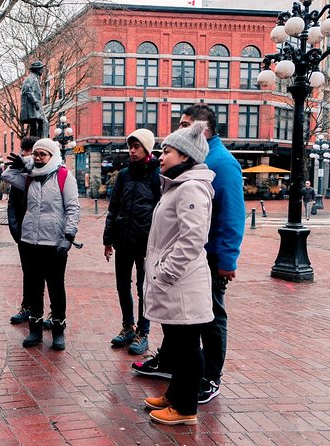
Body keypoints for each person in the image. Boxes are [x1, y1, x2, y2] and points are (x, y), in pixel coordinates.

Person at [133, 105, 245, 406]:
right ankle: (176, 381)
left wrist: (227, 259)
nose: (179, 130)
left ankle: (207, 379)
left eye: (185, 126)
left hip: (201, 261)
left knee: (205, 323)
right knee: (182, 329)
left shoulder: (220, 164)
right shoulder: (181, 175)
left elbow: (232, 215)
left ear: (202, 130)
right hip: (182, 263)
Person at [142, 120, 215, 426]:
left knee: (186, 347)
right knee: (177, 343)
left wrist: (165, 274)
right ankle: (175, 394)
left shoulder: (191, 189)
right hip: (175, 283)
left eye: (167, 151)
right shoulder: (179, 185)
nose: (160, 156)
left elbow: (192, 239)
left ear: (185, 156)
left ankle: (185, 408)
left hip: (182, 284)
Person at [2, 138, 80, 351]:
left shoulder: (64, 176)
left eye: (42, 155)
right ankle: (34, 330)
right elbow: (7, 175)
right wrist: (24, 163)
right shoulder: (29, 178)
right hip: (29, 241)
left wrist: (69, 236)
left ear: (52, 156)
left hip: (54, 243)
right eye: (35, 154)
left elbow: (73, 208)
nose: (37, 158)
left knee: (56, 288)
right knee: (34, 287)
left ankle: (58, 330)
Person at [103, 128, 160, 355]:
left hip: (146, 243)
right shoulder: (124, 174)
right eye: (130, 147)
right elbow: (113, 207)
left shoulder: (157, 174)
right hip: (123, 241)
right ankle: (128, 326)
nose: (132, 151)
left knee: (143, 288)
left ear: (147, 148)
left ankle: (143, 332)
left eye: (136, 147)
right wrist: (108, 239)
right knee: (122, 285)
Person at [8, 135, 39, 325]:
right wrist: (15, 230)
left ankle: (49, 312)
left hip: (45, 233)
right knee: (28, 272)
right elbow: (12, 204)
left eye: (28, 152)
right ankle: (27, 306)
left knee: (47, 275)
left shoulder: (49, 174)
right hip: (24, 234)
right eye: (24, 151)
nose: (24, 155)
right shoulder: (20, 175)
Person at [20, 61, 46, 138]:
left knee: (36, 124)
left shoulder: (34, 78)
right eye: (41, 68)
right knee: (41, 122)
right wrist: (35, 102)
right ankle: (37, 141)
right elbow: (28, 90)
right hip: (32, 107)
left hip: (33, 107)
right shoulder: (32, 78)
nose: (42, 70)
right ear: (37, 69)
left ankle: (36, 141)